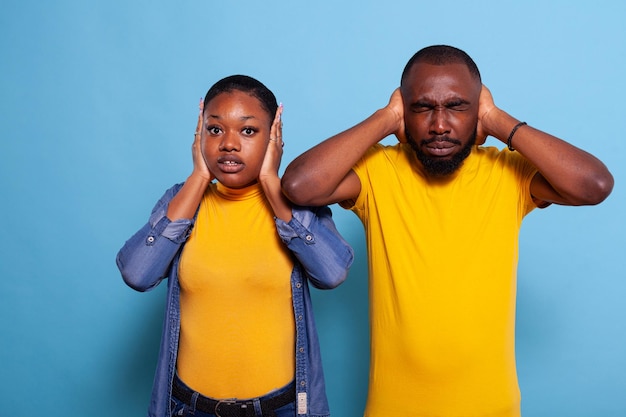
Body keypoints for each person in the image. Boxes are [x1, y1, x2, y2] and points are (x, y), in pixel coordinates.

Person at [281, 45, 614, 417]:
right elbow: (298, 186)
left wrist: (500, 120)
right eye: (422, 107)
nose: (440, 125)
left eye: (457, 107)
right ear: (405, 112)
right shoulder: (379, 171)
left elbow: (594, 185)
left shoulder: (507, 173)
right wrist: (385, 117)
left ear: (478, 110)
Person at [116, 75, 354, 417]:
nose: (228, 144)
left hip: (280, 409)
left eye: (248, 131)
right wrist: (199, 177)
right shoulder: (182, 203)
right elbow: (137, 273)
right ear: (200, 135)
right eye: (215, 130)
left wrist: (273, 183)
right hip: (191, 408)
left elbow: (332, 273)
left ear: (274, 136)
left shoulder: (298, 207)